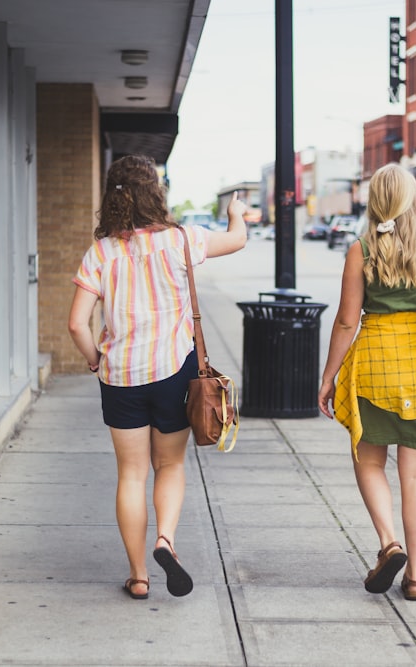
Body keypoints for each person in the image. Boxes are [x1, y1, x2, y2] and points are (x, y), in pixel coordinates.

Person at [68, 155, 248, 600]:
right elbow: (238, 240)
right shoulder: (182, 241)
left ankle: (139, 575)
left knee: (131, 475)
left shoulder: (101, 253)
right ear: (156, 193)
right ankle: (165, 540)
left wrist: (95, 359)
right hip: (172, 371)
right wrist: (235, 214)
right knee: (169, 464)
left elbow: (76, 324)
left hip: (121, 376)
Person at [317, 163, 416, 602]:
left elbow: (347, 319)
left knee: (369, 461)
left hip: (375, 369)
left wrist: (329, 376)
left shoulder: (361, 249)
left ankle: (389, 543)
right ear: (414, 200)